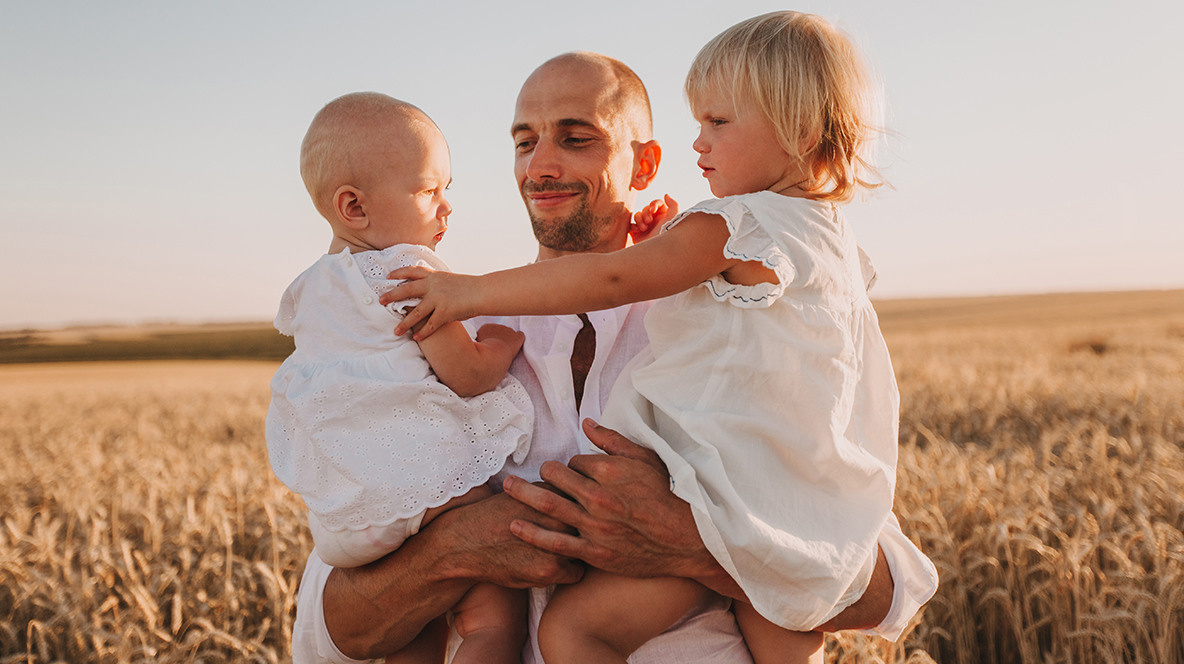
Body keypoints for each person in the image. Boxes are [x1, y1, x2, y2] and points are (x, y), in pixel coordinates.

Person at [290, 51, 938, 664]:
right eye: (524, 141)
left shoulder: (725, 317)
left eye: (576, 138)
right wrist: (456, 550)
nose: (540, 165)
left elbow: (883, 582)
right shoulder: (448, 328)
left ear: (646, 164)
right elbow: (333, 621)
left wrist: (694, 543)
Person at [267, 93, 533, 663]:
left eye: (448, 190)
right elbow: (466, 376)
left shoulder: (309, 290)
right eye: (428, 190)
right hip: (423, 483)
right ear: (354, 208)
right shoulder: (405, 273)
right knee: (492, 616)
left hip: (348, 517)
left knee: (415, 632)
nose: (446, 208)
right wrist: (499, 343)